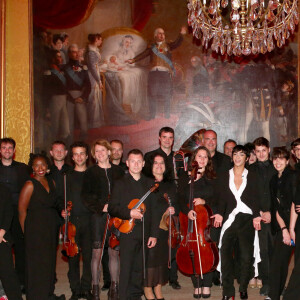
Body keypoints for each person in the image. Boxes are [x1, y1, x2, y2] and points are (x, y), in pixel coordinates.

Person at [108, 149, 159, 300]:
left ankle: (135, 296)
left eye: (139, 161)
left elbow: (155, 212)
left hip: (144, 231)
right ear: (128, 163)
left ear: (143, 164)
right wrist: (129, 213)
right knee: (127, 267)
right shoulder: (120, 183)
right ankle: (123, 296)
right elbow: (112, 207)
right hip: (127, 231)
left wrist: (154, 234)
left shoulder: (150, 184)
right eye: (132, 161)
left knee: (139, 267)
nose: (136, 164)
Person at [212, 145, 262, 300]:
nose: (238, 157)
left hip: (246, 219)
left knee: (246, 256)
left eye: (242, 154)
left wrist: (256, 215)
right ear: (232, 157)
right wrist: (219, 213)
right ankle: (228, 291)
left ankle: (243, 287)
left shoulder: (252, 175)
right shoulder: (223, 175)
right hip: (229, 219)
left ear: (247, 158)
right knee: (225, 254)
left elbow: (256, 197)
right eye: (235, 154)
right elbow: (220, 198)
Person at [18, 153, 65, 300]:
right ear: (32, 167)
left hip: (50, 227)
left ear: (47, 167)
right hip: (34, 229)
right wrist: (26, 233)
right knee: (36, 263)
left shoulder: (52, 182)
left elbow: (56, 202)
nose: (40, 168)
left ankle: (47, 294)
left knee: (49, 261)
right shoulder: (29, 184)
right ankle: (36, 296)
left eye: (43, 164)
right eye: (37, 165)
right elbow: (21, 211)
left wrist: (62, 210)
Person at [81, 139, 124, 300]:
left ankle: (114, 288)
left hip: (116, 217)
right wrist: (101, 207)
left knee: (114, 252)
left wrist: (115, 208)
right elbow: (86, 196)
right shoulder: (90, 172)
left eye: (102, 150)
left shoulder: (118, 171)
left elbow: (123, 194)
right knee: (97, 253)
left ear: (108, 152)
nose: (100, 153)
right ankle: (95, 289)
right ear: (94, 155)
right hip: (98, 217)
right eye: (96, 151)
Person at [143, 127, 181, 289]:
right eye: (164, 137)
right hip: (157, 202)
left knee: (173, 243)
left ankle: (172, 277)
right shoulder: (150, 156)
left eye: (170, 137)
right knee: (157, 247)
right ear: (159, 138)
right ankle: (153, 281)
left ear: (173, 139)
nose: (167, 140)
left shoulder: (178, 157)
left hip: (173, 198)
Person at [178, 146, 217, 299]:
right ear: (194, 159)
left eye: (205, 157)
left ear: (208, 161)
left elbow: (218, 198)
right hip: (189, 221)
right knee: (191, 251)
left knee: (208, 251)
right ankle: (197, 285)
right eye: (199, 156)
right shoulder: (185, 177)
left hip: (206, 221)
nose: (201, 159)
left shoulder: (212, 177)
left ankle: (206, 285)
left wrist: (204, 201)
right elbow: (179, 198)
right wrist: (187, 210)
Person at [128, 27, 187, 119]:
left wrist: (181, 34)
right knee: (152, 94)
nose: (162, 35)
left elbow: (177, 43)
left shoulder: (168, 45)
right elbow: (144, 54)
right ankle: (152, 115)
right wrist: (134, 60)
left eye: (163, 33)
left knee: (167, 94)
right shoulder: (152, 47)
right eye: (159, 33)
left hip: (165, 73)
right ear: (155, 35)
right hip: (154, 73)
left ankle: (167, 115)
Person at [267, 147, 299, 300]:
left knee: (294, 264)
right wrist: (284, 229)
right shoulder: (274, 180)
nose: (278, 161)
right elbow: (276, 208)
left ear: (287, 160)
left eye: (281, 158)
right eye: (275, 158)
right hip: (284, 224)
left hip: (297, 222)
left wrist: (291, 228)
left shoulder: (293, 177)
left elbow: (295, 203)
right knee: (277, 261)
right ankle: (274, 295)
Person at [0, 137, 31, 292]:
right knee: (3, 249)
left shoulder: (22, 168)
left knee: (20, 248)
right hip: (1, 214)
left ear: (14, 150)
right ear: (0, 150)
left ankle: (20, 282)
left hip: (18, 213)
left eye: (10, 148)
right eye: (4, 147)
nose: (7, 150)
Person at [247, 137, 276, 296]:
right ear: (254, 153)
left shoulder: (277, 166)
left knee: (276, 251)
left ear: (269, 150)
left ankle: (276, 281)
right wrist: (258, 213)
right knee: (263, 251)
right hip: (259, 216)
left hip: (276, 215)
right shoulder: (250, 170)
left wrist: (271, 212)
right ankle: (266, 282)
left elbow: (280, 193)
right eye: (258, 151)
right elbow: (249, 196)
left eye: (264, 150)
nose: (261, 154)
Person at [63, 142, 92, 300]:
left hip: (89, 220)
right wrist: (62, 209)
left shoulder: (92, 175)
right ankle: (75, 289)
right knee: (72, 257)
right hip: (72, 221)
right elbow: (61, 198)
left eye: (82, 153)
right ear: (72, 157)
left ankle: (86, 288)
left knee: (88, 257)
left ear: (87, 156)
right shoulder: (67, 177)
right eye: (76, 154)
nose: (79, 156)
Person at [0, 183, 22, 300]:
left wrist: (2, 230)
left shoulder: (3, 190)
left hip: (2, 236)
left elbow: (9, 212)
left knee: (7, 271)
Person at [64, 44, 91, 141]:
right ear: (69, 54)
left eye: (77, 51)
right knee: (69, 123)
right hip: (68, 98)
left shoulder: (83, 68)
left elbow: (88, 85)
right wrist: (71, 98)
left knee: (83, 122)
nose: (76, 54)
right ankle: (69, 143)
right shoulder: (64, 68)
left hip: (80, 97)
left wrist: (82, 97)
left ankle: (84, 143)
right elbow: (63, 86)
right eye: (73, 52)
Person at [43, 50, 70, 144]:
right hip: (55, 98)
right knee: (55, 123)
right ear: (53, 59)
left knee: (65, 125)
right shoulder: (49, 72)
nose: (60, 58)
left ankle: (64, 142)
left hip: (63, 98)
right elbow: (47, 89)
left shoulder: (61, 70)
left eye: (60, 56)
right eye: (58, 57)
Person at [85, 33, 105, 128]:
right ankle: (92, 122)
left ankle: (97, 121)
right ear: (96, 40)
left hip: (95, 72)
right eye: (100, 39)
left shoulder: (94, 50)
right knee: (93, 98)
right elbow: (92, 67)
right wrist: (99, 80)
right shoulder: (91, 52)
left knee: (96, 97)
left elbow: (95, 65)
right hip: (92, 76)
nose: (101, 41)